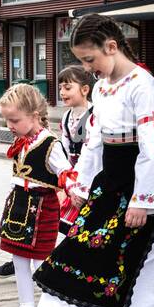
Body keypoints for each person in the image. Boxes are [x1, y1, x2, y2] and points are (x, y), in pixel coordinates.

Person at [28, 13, 154, 307]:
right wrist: (80, 183)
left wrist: (143, 199)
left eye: (89, 59)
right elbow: (95, 142)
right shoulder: (104, 87)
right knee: (80, 248)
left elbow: (153, 145)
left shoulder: (143, 84)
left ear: (112, 46)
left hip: (148, 186)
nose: (87, 68)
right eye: (81, 61)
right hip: (112, 180)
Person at [0, 83, 71, 307]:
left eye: (14, 120)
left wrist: (74, 192)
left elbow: (66, 173)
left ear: (35, 116)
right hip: (19, 204)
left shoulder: (50, 144)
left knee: (41, 262)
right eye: (7, 120)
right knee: (18, 258)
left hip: (42, 206)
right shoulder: (23, 140)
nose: (10, 126)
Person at [56, 65, 94, 234]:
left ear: (85, 89)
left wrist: (77, 186)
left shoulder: (94, 115)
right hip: (72, 176)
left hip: (89, 174)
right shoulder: (66, 117)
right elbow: (64, 149)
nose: (62, 92)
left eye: (68, 87)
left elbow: (90, 154)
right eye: (60, 88)